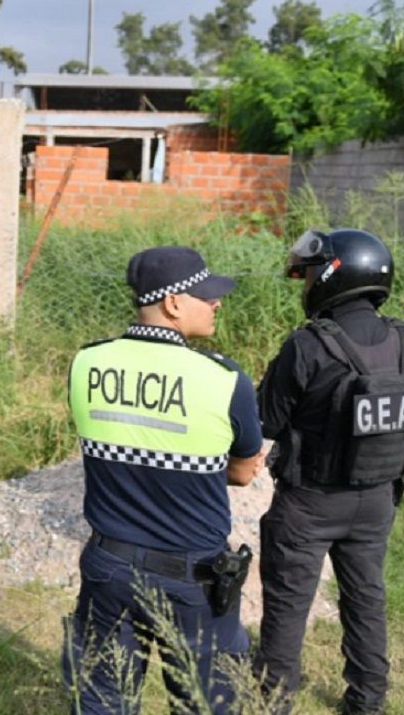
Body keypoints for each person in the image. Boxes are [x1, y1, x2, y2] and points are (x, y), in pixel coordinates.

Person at [61, 246, 268, 715]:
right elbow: (241, 471)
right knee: (202, 701)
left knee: (102, 700)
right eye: (207, 295)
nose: (217, 303)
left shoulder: (87, 363)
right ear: (173, 303)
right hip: (192, 579)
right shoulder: (223, 379)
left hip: (108, 566)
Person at [254, 229, 404, 715]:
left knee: (289, 607)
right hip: (377, 500)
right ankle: (368, 702)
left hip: (309, 502)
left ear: (332, 276)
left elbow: (266, 421)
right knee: (366, 600)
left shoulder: (307, 346)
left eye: (310, 274)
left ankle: (274, 703)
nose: (305, 284)